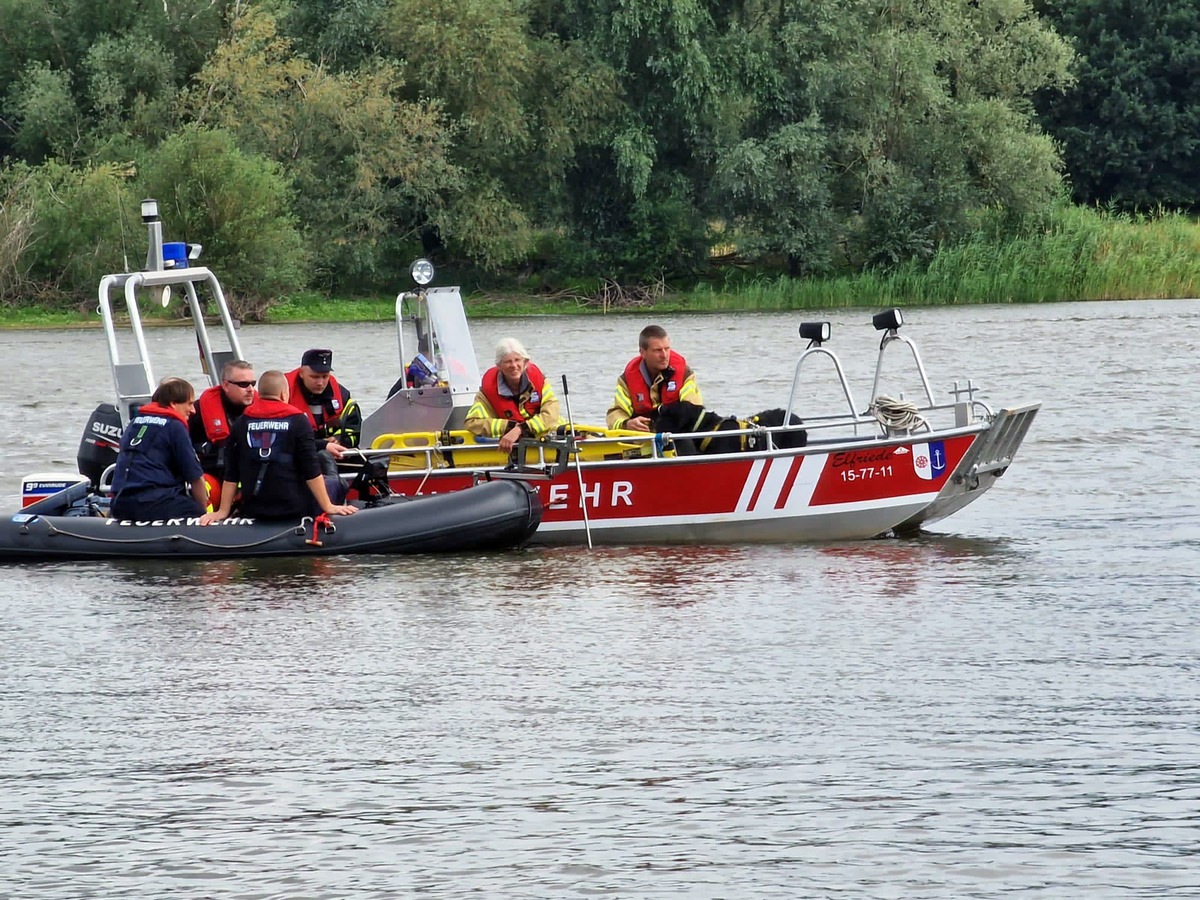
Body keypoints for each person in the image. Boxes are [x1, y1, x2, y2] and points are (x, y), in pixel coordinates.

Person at [201, 370, 357, 523]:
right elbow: (311, 470)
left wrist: (222, 511)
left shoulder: (241, 423)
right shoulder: (298, 421)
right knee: (334, 481)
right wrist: (329, 506)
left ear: (259, 394)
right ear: (283, 394)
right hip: (293, 509)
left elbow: (231, 474)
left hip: (254, 509)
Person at [110, 377, 209, 521]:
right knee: (194, 509)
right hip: (154, 503)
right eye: (190, 404)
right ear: (173, 403)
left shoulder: (134, 423)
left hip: (120, 502)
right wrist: (202, 514)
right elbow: (195, 477)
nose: (193, 410)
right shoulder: (175, 426)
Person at [466, 338, 561, 453]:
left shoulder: (540, 382)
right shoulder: (488, 391)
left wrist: (520, 429)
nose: (514, 365)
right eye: (508, 362)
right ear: (499, 366)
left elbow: (551, 416)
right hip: (511, 448)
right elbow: (472, 423)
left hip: (548, 439)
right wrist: (508, 426)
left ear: (525, 362)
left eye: (517, 360)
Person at [606, 324, 702, 432]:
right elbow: (615, 413)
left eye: (667, 349)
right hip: (643, 437)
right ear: (643, 352)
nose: (664, 355)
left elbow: (693, 411)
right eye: (657, 350)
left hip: (675, 435)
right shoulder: (626, 380)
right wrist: (627, 424)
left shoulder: (685, 374)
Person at [284, 348, 361, 459]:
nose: (320, 383)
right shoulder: (283, 393)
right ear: (301, 373)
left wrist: (339, 440)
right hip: (297, 458)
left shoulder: (342, 395)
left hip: (336, 457)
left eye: (325, 377)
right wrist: (322, 445)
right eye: (314, 377)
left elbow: (354, 429)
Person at [188, 359, 256, 480]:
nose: (250, 389)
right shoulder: (197, 411)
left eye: (253, 383)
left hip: (249, 476)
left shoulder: (261, 410)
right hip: (211, 474)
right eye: (243, 384)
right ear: (226, 385)